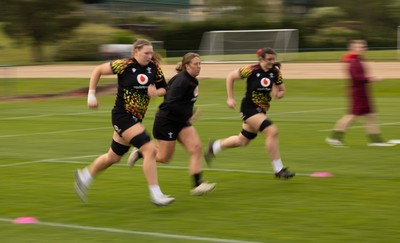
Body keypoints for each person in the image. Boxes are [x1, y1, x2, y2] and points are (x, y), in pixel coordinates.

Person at [74, 39, 175, 206]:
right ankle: (156, 194)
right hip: (122, 116)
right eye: (146, 53)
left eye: (151, 53)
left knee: (113, 157)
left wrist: (156, 92)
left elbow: (165, 88)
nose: (150, 56)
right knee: (149, 149)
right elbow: (98, 70)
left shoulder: (154, 67)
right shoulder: (124, 65)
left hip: (136, 118)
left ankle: (84, 176)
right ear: (135, 52)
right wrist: (91, 94)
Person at [127, 52, 216, 195]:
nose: (199, 67)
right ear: (187, 66)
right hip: (167, 122)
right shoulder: (183, 81)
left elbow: (180, 100)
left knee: (196, 148)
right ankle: (140, 152)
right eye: (196, 64)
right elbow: (170, 103)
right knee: (164, 157)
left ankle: (197, 185)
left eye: (200, 64)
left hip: (181, 121)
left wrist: (189, 114)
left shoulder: (191, 80)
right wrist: (188, 115)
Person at [204, 47, 295, 179]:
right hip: (249, 108)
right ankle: (279, 169)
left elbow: (282, 90)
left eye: (273, 59)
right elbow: (230, 77)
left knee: (242, 141)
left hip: (261, 110)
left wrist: (278, 94)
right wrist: (230, 97)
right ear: (261, 59)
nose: (271, 62)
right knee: (272, 131)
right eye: (269, 59)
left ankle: (215, 146)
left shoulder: (275, 72)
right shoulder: (251, 70)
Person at [325, 39, 396, 147]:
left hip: (362, 92)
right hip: (358, 93)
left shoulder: (357, 60)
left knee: (369, 116)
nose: (363, 48)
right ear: (353, 49)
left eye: (364, 47)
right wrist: (372, 79)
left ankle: (376, 141)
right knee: (351, 116)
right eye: (360, 47)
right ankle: (334, 138)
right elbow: (357, 78)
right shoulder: (353, 61)